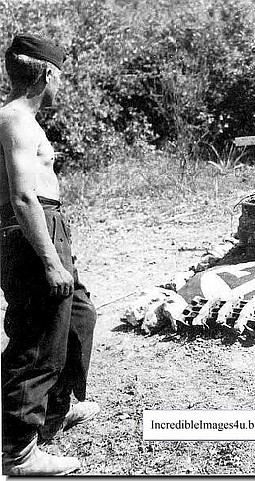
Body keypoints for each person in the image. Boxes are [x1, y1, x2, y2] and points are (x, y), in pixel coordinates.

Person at [0, 34, 99, 476]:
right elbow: (22, 197)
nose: (62, 82)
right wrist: (49, 260)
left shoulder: (21, 118)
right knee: (38, 338)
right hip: (31, 230)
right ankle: (17, 451)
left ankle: (54, 411)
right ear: (47, 73)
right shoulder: (14, 119)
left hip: (46, 225)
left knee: (79, 315)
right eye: (60, 74)